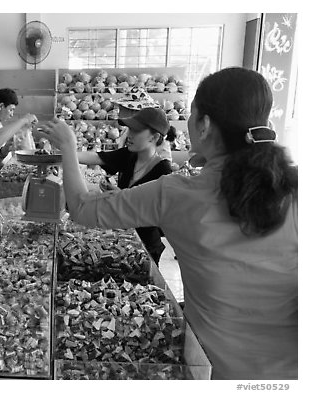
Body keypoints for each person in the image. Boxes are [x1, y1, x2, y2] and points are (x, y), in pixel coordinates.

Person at [39, 67, 297, 380]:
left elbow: (80, 208)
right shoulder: (294, 190)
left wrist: (67, 146)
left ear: (203, 125)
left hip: (214, 369)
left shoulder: (177, 192)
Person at [76, 108, 172, 264]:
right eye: (129, 129)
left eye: (136, 131)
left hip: (146, 245)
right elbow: (96, 157)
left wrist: (121, 195)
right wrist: (64, 153)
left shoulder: (163, 170)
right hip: (124, 240)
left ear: (154, 137)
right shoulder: (129, 155)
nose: (129, 135)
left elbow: (157, 213)